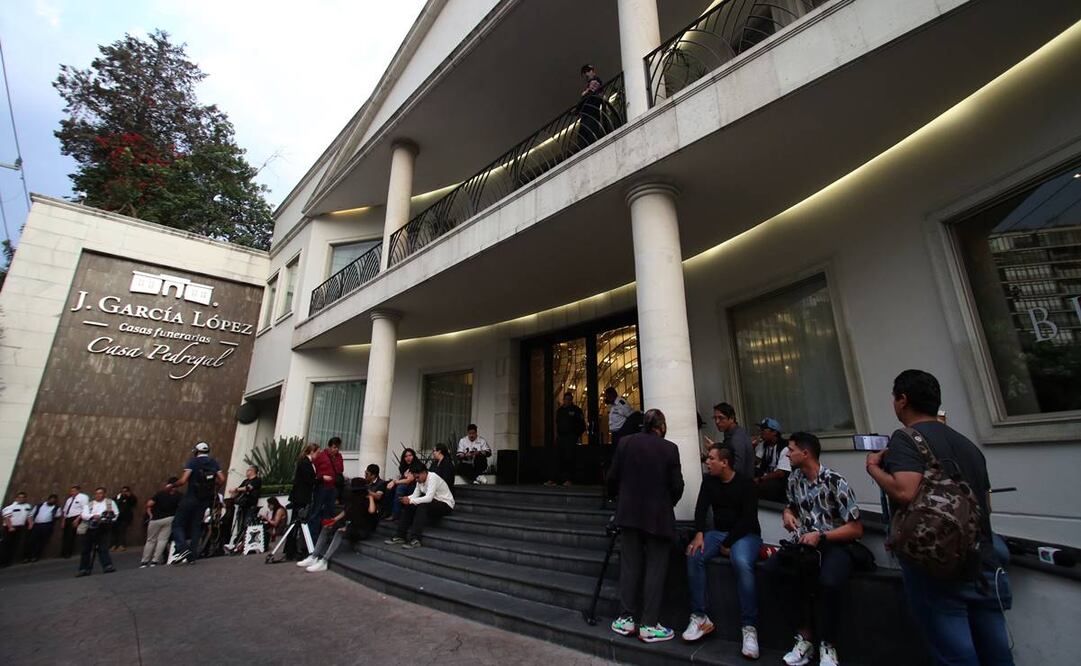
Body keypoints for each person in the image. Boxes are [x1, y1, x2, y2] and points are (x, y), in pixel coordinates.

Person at [866, 369, 1013, 666]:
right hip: (982, 557)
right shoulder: (968, 446)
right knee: (996, 652)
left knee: (954, 655)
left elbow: (905, 491)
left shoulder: (906, 439)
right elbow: (986, 504)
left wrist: (874, 469)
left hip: (937, 563)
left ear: (902, 400)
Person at [762, 431, 863, 666]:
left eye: (792, 449)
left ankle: (828, 644)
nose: (787, 453)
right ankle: (804, 636)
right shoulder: (794, 479)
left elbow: (856, 528)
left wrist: (822, 535)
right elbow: (792, 506)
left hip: (834, 543)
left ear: (805, 453)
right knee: (773, 570)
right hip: (804, 546)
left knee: (829, 581)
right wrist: (788, 514)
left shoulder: (834, 481)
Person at [607, 408, 685, 643]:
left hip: (629, 515)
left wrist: (617, 500)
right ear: (660, 427)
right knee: (655, 568)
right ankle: (649, 624)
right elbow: (677, 486)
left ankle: (626, 618)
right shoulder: (669, 448)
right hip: (658, 517)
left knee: (629, 565)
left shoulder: (625, 443)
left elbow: (612, 477)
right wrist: (666, 503)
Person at [683, 446, 763, 658]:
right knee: (694, 553)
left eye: (711, 459)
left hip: (746, 535)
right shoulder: (709, 482)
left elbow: (748, 519)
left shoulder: (746, 484)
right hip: (718, 534)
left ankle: (749, 627)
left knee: (741, 561)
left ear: (724, 462)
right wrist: (699, 534)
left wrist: (728, 542)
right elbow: (700, 509)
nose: (707, 462)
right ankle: (700, 616)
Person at [299, 476, 381, 572]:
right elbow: (346, 512)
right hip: (352, 525)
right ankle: (314, 556)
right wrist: (334, 520)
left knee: (339, 532)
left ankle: (325, 561)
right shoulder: (352, 499)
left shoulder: (366, 499)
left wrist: (371, 497)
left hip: (362, 529)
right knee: (326, 528)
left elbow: (371, 511)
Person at [169, 441, 225, 565]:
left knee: (177, 524)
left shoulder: (193, 462)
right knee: (196, 526)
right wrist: (214, 488)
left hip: (191, 496)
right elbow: (222, 479)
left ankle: (183, 548)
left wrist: (172, 485)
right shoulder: (213, 463)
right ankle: (192, 556)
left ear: (196, 451)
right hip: (204, 499)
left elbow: (183, 480)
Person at [386, 463, 455, 549]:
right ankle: (400, 535)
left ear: (423, 473)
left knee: (422, 505)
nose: (416, 480)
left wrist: (411, 500)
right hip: (433, 503)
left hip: (446, 504)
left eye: (417, 477)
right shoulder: (419, 481)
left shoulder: (433, 477)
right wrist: (406, 498)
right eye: (415, 477)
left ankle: (415, 539)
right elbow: (415, 495)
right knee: (410, 505)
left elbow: (429, 498)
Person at [285, 443, 319, 560]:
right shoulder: (305, 463)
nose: (318, 455)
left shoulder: (306, 462)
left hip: (301, 496)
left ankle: (293, 549)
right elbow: (308, 479)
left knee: (296, 523)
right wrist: (319, 479)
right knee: (296, 523)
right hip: (301, 497)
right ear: (312, 452)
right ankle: (291, 550)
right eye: (317, 452)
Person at [704, 403, 754, 480]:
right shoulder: (732, 434)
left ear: (731, 418)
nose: (717, 422)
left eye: (721, 418)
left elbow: (738, 467)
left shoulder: (737, 438)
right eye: (715, 418)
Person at [76, 487, 118, 576]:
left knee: (102, 547)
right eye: (97, 493)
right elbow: (84, 514)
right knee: (86, 549)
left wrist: (104, 518)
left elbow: (116, 514)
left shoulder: (110, 503)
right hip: (90, 527)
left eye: (100, 493)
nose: (98, 495)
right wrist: (93, 516)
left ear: (104, 494)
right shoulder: (90, 504)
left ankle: (107, 565)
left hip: (103, 526)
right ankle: (84, 569)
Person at [140, 477, 180, 567]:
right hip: (169, 518)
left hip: (156, 519)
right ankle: (155, 560)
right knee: (163, 540)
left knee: (150, 540)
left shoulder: (160, 494)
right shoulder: (179, 495)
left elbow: (149, 504)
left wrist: (150, 514)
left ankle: (145, 561)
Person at [549, 391, 586, 486]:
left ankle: (568, 479)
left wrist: (576, 436)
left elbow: (582, 425)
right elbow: (557, 424)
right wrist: (556, 436)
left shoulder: (576, 410)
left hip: (570, 438)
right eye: (566, 399)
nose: (568, 401)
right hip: (561, 438)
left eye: (570, 400)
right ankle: (555, 479)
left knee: (569, 458)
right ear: (563, 400)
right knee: (557, 458)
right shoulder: (560, 411)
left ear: (572, 400)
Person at [310, 439, 344, 540]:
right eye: (334, 447)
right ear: (329, 447)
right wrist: (322, 476)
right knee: (316, 511)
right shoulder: (321, 455)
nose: (336, 450)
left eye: (337, 447)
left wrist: (335, 458)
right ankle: (313, 538)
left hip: (332, 487)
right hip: (322, 486)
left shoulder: (338, 456)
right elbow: (314, 470)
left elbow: (340, 469)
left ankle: (325, 536)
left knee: (329, 513)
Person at [754, 417, 792, 502]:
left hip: (778, 480)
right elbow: (755, 462)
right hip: (766, 475)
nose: (761, 432)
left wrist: (760, 479)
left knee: (763, 486)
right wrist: (752, 446)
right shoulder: (764, 445)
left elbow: (780, 473)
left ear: (774, 432)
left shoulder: (784, 447)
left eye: (764, 430)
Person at [577, 64, 606, 149]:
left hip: (591, 112)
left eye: (587, 71)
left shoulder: (596, 80)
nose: (586, 74)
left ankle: (592, 148)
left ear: (592, 71)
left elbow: (590, 92)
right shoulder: (591, 83)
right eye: (585, 73)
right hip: (588, 113)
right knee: (583, 133)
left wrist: (584, 93)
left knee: (589, 132)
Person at [1, 491, 34, 567]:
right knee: (5, 545)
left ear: (25, 498)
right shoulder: (10, 507)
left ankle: (8, 561)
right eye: (20, 497)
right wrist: (10, 527)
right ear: (16, 498)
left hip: (20, 527)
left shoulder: (28, 506)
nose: (21, 499)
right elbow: (6, 518)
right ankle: (2, 562)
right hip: (9, 528)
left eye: (23, 497)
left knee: (14, 545)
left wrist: (31, 523)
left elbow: (29, 515)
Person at [385, 448, 418, 521]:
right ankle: (387, 512)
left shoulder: (416, 466)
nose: (408, 458)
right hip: (406, 486)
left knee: (400, 487)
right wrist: (393, 482)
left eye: (410, 455)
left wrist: (395, 482)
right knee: (388, 487)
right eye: (406, 456)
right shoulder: (404, 467)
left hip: (415, 488)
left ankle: (396, 514)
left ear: (414, 456)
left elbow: (408, 480)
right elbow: (400, 478)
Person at [26, 494, 61, 562]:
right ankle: (27, 557)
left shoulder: (57, 508)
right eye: (51, 499)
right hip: (36, 525)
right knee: (31, 541)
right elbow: (30, 514)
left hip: (47, 526)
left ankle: (35, 556)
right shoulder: (39, 505)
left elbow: (58, 516)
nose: (52, 501)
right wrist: (30, 523)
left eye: (54, 500)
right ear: (48, 499)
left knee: (41, 542)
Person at [59, 485, 89, 558]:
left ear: (78, 491)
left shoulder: (83, 497)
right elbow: (65, 511)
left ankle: (68, 553)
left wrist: (77, 519)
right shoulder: (69, 499)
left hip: (76, 517)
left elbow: (84, 509)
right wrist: (63, 521)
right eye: (71, 491)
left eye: (73, 491)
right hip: (68, 518)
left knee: (71, 535)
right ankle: (63, 552)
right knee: (65, 536)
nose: (71, 492)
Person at [110, 486, 137, 552]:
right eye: (123, 491)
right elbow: (112, 503)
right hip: (116, 517)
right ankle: (114, 545)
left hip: (125, 517)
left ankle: (122, 545)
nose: (124, 493)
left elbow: (134, 502)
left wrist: (130, 496)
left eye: (126, 491)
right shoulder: (117, 497)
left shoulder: (130, 498)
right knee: (114, 531)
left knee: (122, 531)